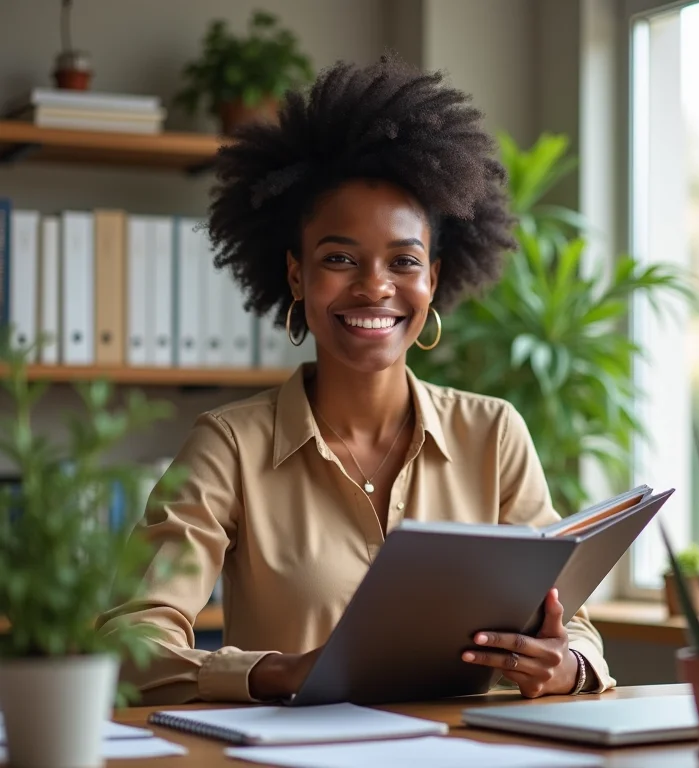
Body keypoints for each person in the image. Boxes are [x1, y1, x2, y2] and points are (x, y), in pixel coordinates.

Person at [97, 55, 615, 704]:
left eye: (404, 261)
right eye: (339, 258)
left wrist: (565, 665)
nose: (374, 286)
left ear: (433, 279)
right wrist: (275, 672)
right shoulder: (230, 446)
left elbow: (574, 626)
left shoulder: (494, 434)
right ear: (296, 275)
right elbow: (128, 644)